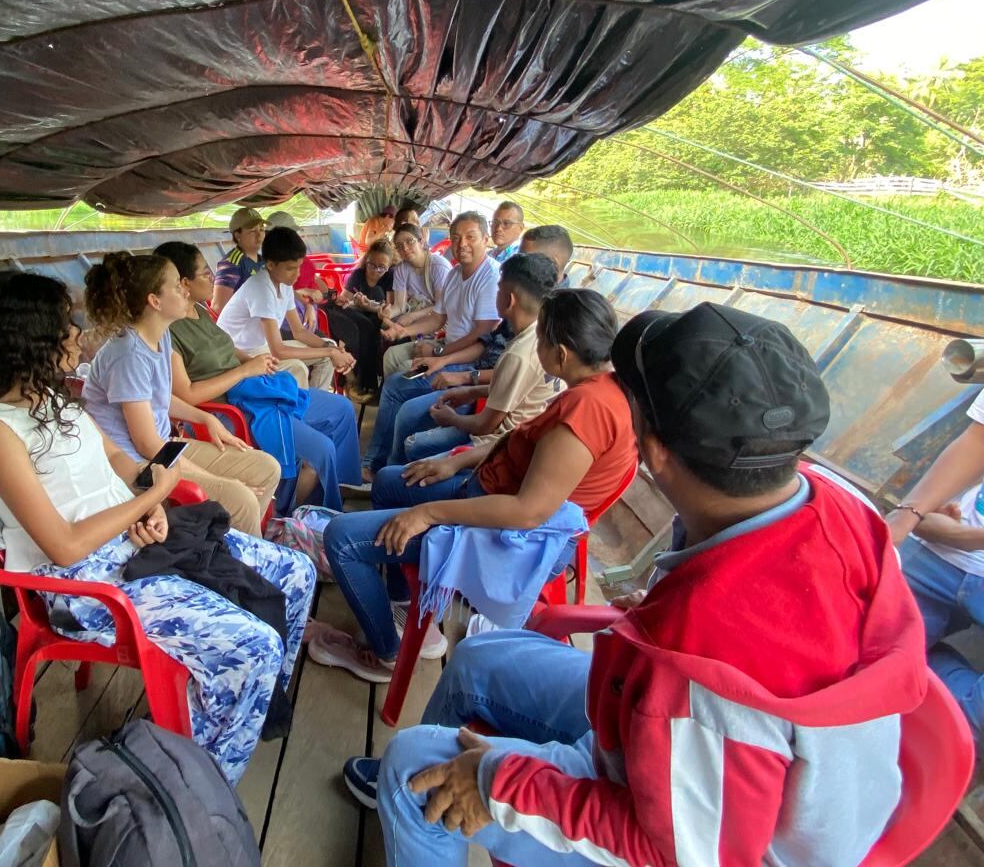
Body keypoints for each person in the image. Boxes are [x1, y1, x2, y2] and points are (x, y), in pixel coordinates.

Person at [368, 302, 925, 867]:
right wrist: (659, 611)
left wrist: (493, 783)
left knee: (413, 769)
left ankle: (426, 804)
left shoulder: (705, 654)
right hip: (682, 738)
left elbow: (682, 848)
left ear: (651, 449)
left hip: (704, 832)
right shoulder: (837, 505)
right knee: (478, 658)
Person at [0, 270, 314, 784]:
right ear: (25, 340)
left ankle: (253, 705)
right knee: (255, 644)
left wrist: (146, 497)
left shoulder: (55, 403)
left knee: (296, 571)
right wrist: (156, 496)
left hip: (130, 546)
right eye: (63, 325)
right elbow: (65, 546)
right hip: (86, 585)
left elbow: (118, 459)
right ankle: (198, 783)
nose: (75, 333)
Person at [313, 287, 635, 683]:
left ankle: (385, 653)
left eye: (540, 339)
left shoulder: (586, 412)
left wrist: (426, 513)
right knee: (389, 481)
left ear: (562, 354)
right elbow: (521, 442)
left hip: (500, 534)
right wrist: (457, 462)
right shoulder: (600, 389)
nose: (535, 347)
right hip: (482, 492)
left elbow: (527, 512)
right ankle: (404, 604)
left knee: (342, 538)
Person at [154, 240, 363, 513]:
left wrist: (251, 361)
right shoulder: (169, 331)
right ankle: (299, 516)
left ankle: (340, 486)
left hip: (255, 389)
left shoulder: (200, 311)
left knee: (341, 407)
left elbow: (227, 347)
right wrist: (244, 370)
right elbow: (187, 395)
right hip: (232, 408)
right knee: (321, 450)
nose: (212, 277)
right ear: (184, 283)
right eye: (205, 272)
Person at [82, 252, 281, 536]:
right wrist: (216, 480)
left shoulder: (160, 335)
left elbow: (158, 399)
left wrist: (205, 419)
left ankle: (224, 543)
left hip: (163, 446)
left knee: (266, 468)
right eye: (177, 286)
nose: (185, 290)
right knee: (240, 498)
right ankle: (230, 560)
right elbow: (146, 443)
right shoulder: (128, 355)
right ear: (155, 301)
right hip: (136, 465)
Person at [362, 212, 501, 482]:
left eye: (470, 237)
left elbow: (481, 336)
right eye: (456, 238)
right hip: (448, 349)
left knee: (395, 389)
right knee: (395, 378)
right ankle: (380, 467)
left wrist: (439, 354)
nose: (462, 244)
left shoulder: (489, 278)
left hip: (467, 362)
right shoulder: (456, 273)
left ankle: (382, 470)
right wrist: (404, 330)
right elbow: (439, 317)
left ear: (486, 239)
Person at [887, 385, 984, 739]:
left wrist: (964, 537)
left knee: (971, 728)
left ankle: (911, 661)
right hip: (936, 551)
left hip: (951, 536)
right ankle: (903, 658)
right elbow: (978, 441)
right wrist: (908, 516)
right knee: (849, 650)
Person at [399, 253, 561, 464]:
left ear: (509, 299)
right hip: (512, 430)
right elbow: (515, 391)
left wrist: (452, 419)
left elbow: (487, 425)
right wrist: (470, 391)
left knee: (413, 446)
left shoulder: (518, 354)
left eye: (498, 288)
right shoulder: (545, 334)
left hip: (500, 445)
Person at [424, 223, 575, 394]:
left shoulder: (560, 319)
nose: (519, 262)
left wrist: (466, 377)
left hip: (493, 386)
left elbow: (517, 379)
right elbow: (488, 341)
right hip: (478, 369)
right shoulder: (523, 297)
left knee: (406, 405)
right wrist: (444, 359)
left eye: (526, 256)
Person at [217, 226, 355, 391]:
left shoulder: (284, 284)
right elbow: (278, 350)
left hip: (261, 348)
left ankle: (315, 404)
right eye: (290, 268)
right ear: (270, 264)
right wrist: (330, 353)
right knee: (297, 368)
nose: (296, 274)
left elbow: (300, 332)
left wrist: (333, 350)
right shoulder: (261, 288)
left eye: (299, 266)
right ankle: (302, 412)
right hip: (239, 354)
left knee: (328, 346)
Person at [325, 238, 394, 400]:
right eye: (371, 265)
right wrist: (353, 303)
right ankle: (359, 382)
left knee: (371, 325)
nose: (375, 270)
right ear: (366, 260)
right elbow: (343, 302)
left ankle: (365, 382)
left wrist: (369, 306)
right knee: (362, 328)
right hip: (357, 319)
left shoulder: (389, 277)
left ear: (389, 266)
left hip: (377, 319)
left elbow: (390, 308)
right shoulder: (358, 275)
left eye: (381, 267)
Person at [385, 220, 452, 324]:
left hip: (442, 320)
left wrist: (412, 317)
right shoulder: (401, 269)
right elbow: (399, 306)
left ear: (421, 241)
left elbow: (442, 308)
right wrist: (387, 313)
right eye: (399, 246)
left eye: (409, 241)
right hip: (416, 316)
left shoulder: (438, 266)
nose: (405, 248)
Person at [211, 206, 265, 314]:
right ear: (238, 235)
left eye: (262, 229)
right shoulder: (231, 264)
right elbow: (219, 307)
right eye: (253, 231)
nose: (259, 235)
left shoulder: (263, 261)